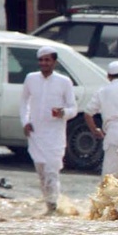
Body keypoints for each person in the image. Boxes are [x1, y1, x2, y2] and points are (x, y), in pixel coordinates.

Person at [19, 46, 78, 214]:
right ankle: (49, 203)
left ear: (54, 62)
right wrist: (25, 122)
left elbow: (73, 108)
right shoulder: (31, 79)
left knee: (52, 171)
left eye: (47, 60)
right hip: (36, 133)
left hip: (55, 135)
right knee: (42, 173)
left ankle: (53, 206)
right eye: (41, 60)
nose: (43, 63)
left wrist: (63, 113)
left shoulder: (64, 81)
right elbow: (24, 103)